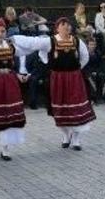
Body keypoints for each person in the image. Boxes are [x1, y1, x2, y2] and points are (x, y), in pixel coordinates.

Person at [24, 18, 97, 150]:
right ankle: (65, 134)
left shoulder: (77, 41)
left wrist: (76, 69)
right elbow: (37, 47)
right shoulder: (50, 41)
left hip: (74, 79)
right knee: (59, 108)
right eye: (63, 25)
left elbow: (85, 57)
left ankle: (76, 138)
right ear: (57, 28)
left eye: (68, 25)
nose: (66, 27)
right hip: (57, 79)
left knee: (76, 108)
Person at [0, 18, 40, 161]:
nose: (0, 34)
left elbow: (15, 63)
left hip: (9, 83)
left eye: (2, 31)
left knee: (8, 115)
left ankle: (5, 148)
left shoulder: (11, 46)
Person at [83, 37, 105, 104]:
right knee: (91, 78)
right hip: (87, 72)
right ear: (88, 45)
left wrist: (97, 72)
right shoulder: (85, 54)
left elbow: (100, 65)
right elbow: (85, 66)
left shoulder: (98, 54)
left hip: (96, 71)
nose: (92, 46)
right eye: (91, 45)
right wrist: (92, 72)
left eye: (94, 45)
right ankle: (93, 98)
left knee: (102, 76)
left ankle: (102, 96)